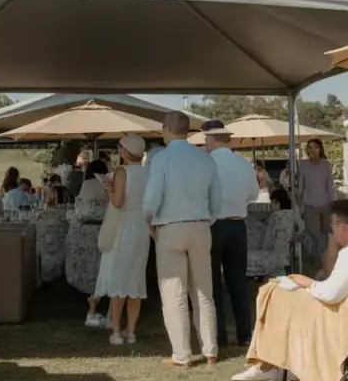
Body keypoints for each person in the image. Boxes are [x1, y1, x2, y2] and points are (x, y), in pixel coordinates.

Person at [232, 199, 348, 381]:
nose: (332, 232)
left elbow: (330, 294)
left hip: (346, 323)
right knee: (279, 294)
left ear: (341, 226)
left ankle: (266, 365)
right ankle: (269, 365)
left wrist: (308, 283)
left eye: (332, 228)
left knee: (276, 294)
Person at [143, 111, 222, 367]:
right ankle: (210, 349)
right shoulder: (205, 158)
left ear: (166, 129)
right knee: (203, 292)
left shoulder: (162, 159)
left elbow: (153, 196)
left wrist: (148, 217)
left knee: (173, 292)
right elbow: (217, 201)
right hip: (200, 226)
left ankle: (182, 354)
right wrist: (206, 220)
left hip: (171, 226)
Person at [202, 119, 259, 347]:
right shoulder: (244, 164)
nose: (205, 142)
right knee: (238, 281)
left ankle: (218, 335)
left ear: (213, 139)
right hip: (238, 225)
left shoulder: (206, 163)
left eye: (206, 138)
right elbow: (254, 193)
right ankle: (245, 333)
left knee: (213, 281)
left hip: (213, 225)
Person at [94, 134, 151, 345]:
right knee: (136, 278)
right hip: (141, 226)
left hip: (124, 227)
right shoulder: (148, 172)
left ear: (124, 152)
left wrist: (109, 189)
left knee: (119, 278)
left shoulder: (122, 171)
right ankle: (131, 331)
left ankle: (116, 331)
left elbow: (118, 202)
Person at [68, 159, 112, 327]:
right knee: (101, 266)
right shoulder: (108, 184)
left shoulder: (87, 185)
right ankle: (100, 301)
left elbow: (80, 209)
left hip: (87, 230)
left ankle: (92, 304)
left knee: (88, 266)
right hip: (104, 229)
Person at [298, 139, 336, 252]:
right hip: (310, 205)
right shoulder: (303, 164)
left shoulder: (326, 164)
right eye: (309, 147)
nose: (312, 150)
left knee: (327, 234)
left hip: (326, 204)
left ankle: (326, 258)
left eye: (315, 147)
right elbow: (301, 184)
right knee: (313, 235)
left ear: (320, 148)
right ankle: (315, 260)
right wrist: (299, 203)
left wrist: (333, 200)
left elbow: (330, 184)